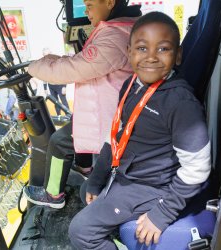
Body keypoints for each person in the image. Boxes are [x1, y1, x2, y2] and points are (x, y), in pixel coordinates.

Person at [68, 12, 211, 249]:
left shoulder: (180, 103)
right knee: (86, 189)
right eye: (142, 49)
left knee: (81, 231)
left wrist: (162, 213)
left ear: (178, 56)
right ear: (129, 52)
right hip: (128, 173)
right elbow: (113, 136)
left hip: (152, 186)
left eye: (163, 49)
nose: (151, 57)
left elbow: (197, 168)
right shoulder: (131, 85)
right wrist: (96, 177)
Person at [24, 0, 142, 209]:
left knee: (59, 141)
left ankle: (53, 195)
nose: (86, 11)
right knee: (74, 125)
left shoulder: (114, 36)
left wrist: (33, 67)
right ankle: (85, 168)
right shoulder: (124, 27)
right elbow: (85, 60)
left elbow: (75, 68)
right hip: (111, 108)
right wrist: (51, 59)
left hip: (109, 119)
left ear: (109, 2)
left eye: (89, 5)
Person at [41, 48, 69, 115]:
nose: (46, 57)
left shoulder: (58, 62)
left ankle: (69, 117)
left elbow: (64, 74)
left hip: (60, 85)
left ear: (51, 53)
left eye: (48, 54)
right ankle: (59, 116)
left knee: (64, 102)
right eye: (45, 55)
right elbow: (44, 76)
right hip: (51, 86)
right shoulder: (44, 65)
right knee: (55, 102)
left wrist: (64, 87)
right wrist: (45, 88)